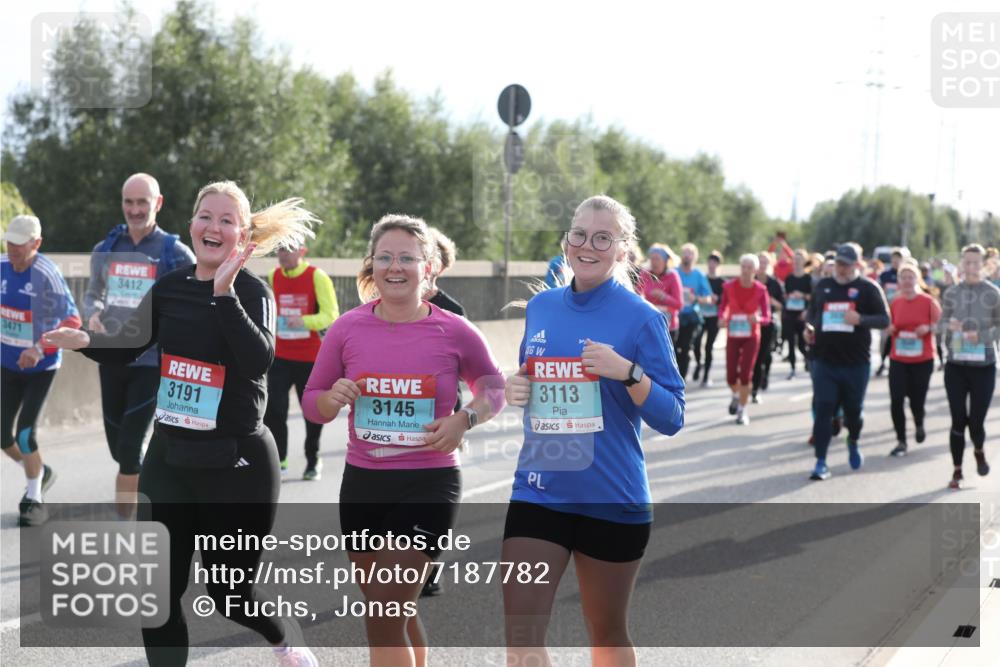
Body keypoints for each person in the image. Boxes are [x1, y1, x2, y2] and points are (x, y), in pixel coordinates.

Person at [44, 181, 321, 666]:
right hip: (170, 458)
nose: (213, 226)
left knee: (229, 595)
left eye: (226, 220)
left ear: (242, 236)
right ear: (191, 224)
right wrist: (84, 340)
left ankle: (283, 638)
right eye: (205, 216)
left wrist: (223, 294)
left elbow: (258, 360)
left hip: (236, 465)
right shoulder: (171, 286)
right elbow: (130, 344)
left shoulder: (252, 292)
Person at [301, 214, 505, 667]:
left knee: (382, 614)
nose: (395, 267)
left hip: (428, 484)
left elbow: (494, 389)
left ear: (428, 267)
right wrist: (332, 398)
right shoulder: (347, 329)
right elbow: (312, 402)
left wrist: (464, 419)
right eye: (385, 257)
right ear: (371, 265)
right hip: (363, 485)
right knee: (394, 609)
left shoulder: (455, 329)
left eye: (407, 258)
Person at [502, 195, 685, 667]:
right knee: (521, 634)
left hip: (611, 496)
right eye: (579, 234)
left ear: (623, 250)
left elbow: (672, 417)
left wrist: (628, 373)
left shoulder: (642, 318)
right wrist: (518, 386)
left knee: (606, 635)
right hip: (539, 490)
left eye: (603, 238)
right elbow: (531, 376)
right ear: (567, 241)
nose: (588, 245)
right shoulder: (542, 307)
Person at [83, 173, 195, 516]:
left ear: (157, 203)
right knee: (119, 450)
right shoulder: (106, 249)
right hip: (111, 359)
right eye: (128, 202)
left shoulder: (175, 253)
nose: (134, 210)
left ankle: (128, 529)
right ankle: (155, 483)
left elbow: (193, 302)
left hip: (151, 364)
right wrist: (94, 313)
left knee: (129, 451)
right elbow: (93, 293)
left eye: (142, 202)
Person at [2, 215, 81, 526]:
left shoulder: (47, 274)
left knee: (25, 433)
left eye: (19, 244)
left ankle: (34, 497)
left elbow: (72, 321)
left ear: (36, 243)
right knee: (1, 434)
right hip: (7, 364)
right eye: (9, 242)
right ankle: (40, 471)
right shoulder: (2, 267)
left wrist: (38, 348)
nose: (12, 249)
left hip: (41, 366)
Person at [803, 243, 889, 480]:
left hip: (855, 364)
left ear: (857, 265)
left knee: (853, 413)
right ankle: (821, 462)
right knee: (824, 408)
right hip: (824, 361)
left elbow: (884, 320)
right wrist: (809, 329)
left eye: (846, 265)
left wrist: (860, 319)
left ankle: (853, 441)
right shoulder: (823, 286)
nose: (841, 269)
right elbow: (813, 313)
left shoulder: (868, 288)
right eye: (839, 264)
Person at [263, 241, 338, 480]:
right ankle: (280, 459)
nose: (283, 254)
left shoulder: (317, 276)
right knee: (274, 410)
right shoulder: (273, 275)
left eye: (288, 249)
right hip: (281, 355)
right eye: (280, 249)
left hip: (310, 357)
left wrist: (304, 321)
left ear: (302, 251)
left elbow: (331, 315)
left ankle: (313, 459)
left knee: (311, 412)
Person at [939, 244, 1000, 489]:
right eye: (967, 261)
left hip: (983, 367)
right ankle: (957, 471)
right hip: (956, 366)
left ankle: (978, 450)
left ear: (983, 265)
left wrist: (982, 336)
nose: (971, 266)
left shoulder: (993, 293)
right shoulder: (952, 292)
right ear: (962, 264)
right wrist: (949, 327)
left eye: (976, 262)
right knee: (957, 420)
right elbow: (941, 323)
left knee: (975, 422)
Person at [886, 259, 940, 457]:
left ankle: (919, 422)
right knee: (896, 400)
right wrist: (890, 329)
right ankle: (901, 441)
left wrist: (928, 328)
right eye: (904, 278)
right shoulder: (895, 301)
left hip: (922, 360)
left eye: (911, 277)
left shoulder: (928, 301)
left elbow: (942, 324)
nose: (907, 281)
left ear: (917, 279)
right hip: (898, 358)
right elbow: (889, 324)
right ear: (899, 281)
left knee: (917, 400)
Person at [719, 254, 771, 425]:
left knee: (745, 374)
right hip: (733, 335)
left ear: (755, 270)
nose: (746, 271)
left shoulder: (761, 290)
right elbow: (722, 308)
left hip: (751, 336)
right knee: (730, 376)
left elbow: (767, 316)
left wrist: (759, 319)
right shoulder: (729, 287)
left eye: (749, 268)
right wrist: (722, 318)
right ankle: (736, 394)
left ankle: (742, 410)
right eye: (743, 267)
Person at [673, 243, 713, 381]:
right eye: (685, 252)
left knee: (685, 348)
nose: (687, 256)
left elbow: (709, 298)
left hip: (691, 318)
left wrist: (695, 298)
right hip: (674, 317)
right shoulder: (674, 273)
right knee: (673, 349)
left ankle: (681, 380)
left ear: (695, 257)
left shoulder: (699, 275)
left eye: (690, 253)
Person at [751, 251, 784, 403]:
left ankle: (764, 376)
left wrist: (770, 301)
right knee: (755, 357)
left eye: (765, 262)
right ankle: (754, 387)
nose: (762, 265)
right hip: (752, 324)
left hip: (769, 323)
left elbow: (783, 305)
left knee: (765, 355)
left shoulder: (774, 283)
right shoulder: (750, 281)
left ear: (769, 265)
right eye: (760, 262)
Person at [637, 244, 683, 341]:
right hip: (648, 325)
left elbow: (679, 305)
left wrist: (664, 297)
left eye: (657, 259)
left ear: (665, 261)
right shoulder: (645, 274)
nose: (654, 262)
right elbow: (637, 295)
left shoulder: (673, 276)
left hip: (668, 327)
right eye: (652, 259)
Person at [692, 250, 724, 387]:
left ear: (718, 264)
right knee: (696, 343)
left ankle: (706, 376)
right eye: (710, 261)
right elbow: (695, 294)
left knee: (709, 347)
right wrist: (701, 299)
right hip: (700, 316)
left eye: (715, 262)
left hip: (714, 318)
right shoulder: (702, 279)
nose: (712, 264)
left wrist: (718, 299)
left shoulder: (722, 282)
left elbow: (725, 301)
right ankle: (699, 363)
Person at [782, 249, 812, 379]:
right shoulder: (789, 278)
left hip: (803, 314)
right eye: (795, 260)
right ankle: (792, 368)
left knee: (801, 343)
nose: (797, 262)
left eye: (799, 260)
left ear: (804, 262)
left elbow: (812, 297)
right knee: (790, 341)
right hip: (790, 313)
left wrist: (802, 295)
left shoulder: (808, 278)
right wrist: (789, 296)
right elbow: (785, 295)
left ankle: (808, 359)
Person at [875, 249, 905, 377]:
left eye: (898, 259)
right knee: (884, 338)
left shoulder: (905, 275)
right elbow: (878, 291)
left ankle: (897, 363)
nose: (896, 262)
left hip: (901, 312)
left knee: (898, 338)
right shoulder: (884, 275)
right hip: (887, 311)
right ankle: (882, 362)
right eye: (894, 259)